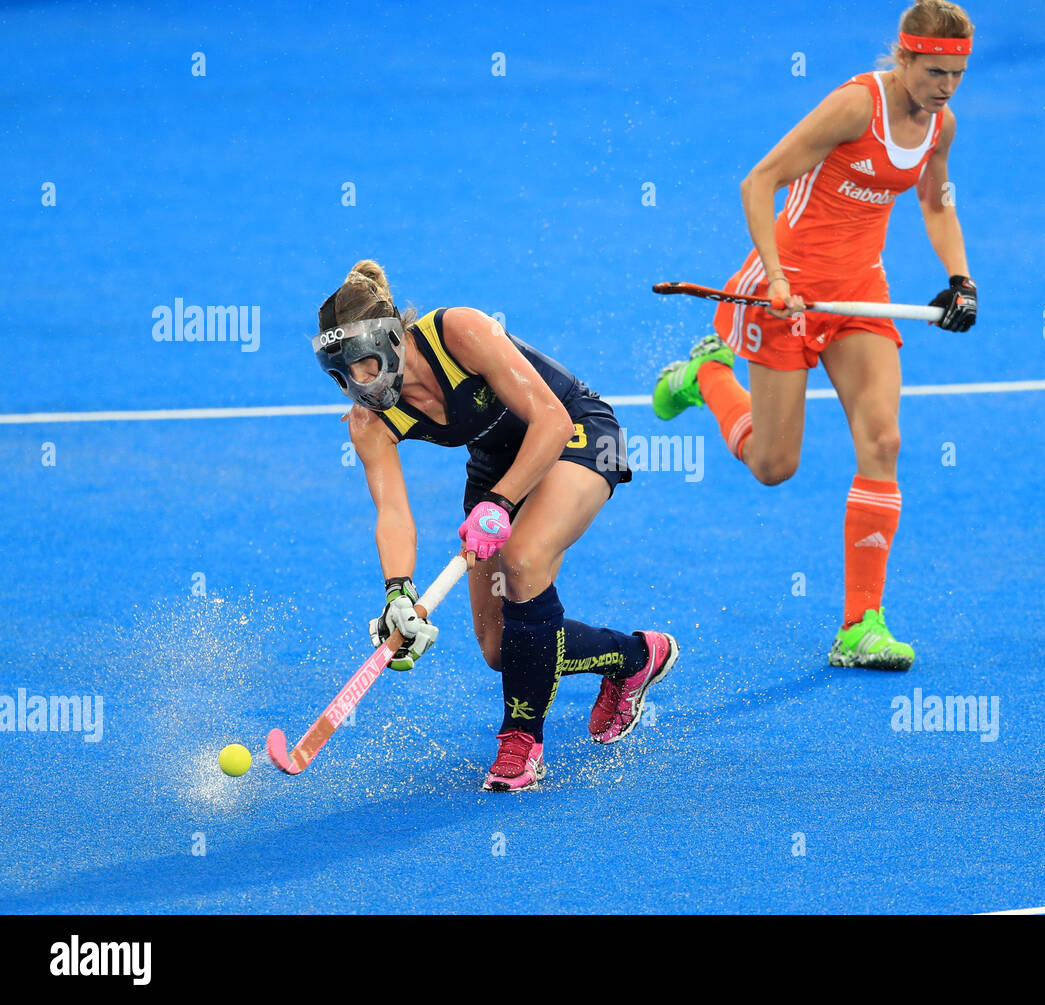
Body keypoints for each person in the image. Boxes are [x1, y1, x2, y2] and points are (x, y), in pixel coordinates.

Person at [652, 0, 977, 671]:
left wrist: (960, 278)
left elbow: (934, 200)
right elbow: (759, 181)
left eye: (957, 75)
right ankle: (707, 375)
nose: (945, 86)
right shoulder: (857, 106)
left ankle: (861, 625)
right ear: (905, 56)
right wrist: (773, 278)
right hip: (788, 290)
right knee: (774, 465)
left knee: (883, 440)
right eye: (935, 71)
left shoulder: (939, 126)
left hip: (860, 293)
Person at [313, 260, 678, 791]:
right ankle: (635, 658)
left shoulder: (458, 331)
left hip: (578, 432)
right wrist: (397, 592)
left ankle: (521, 742)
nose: (359, 386)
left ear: (392, 338)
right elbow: (392, 511)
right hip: (498, 466)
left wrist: (501, 503)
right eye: (344, 376)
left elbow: (550, 420)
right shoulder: (368, 421)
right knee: (500, 646)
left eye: (366, 366)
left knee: (523, 559)